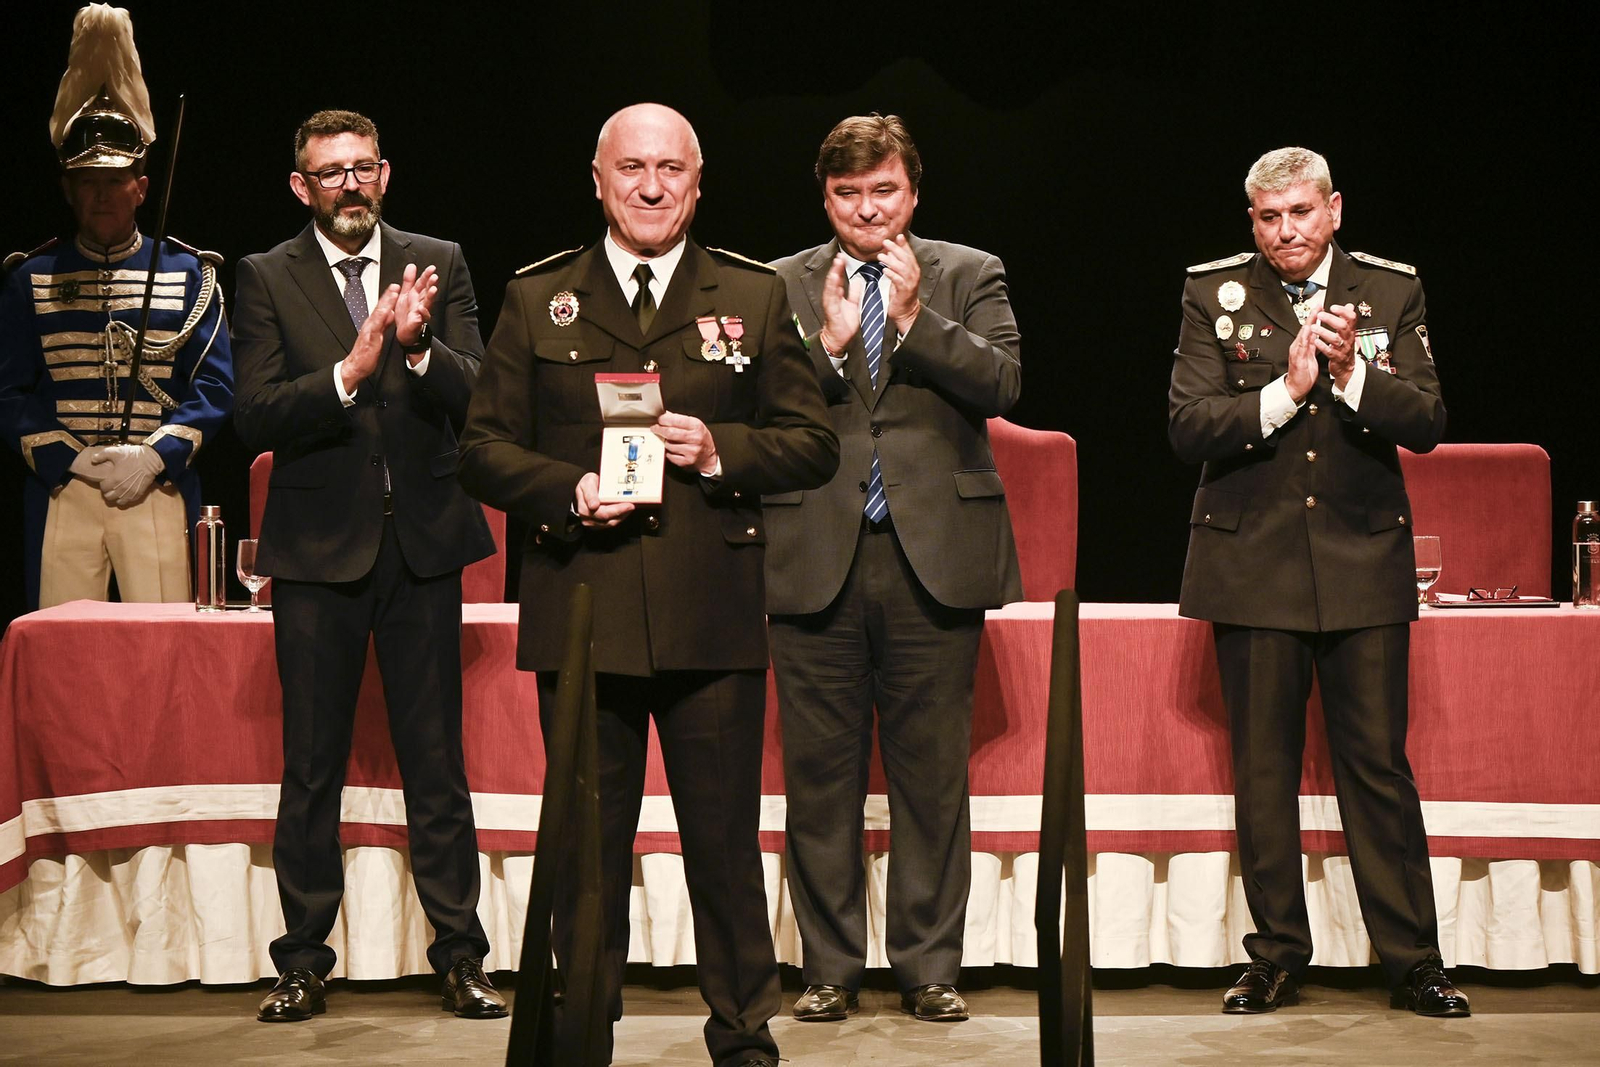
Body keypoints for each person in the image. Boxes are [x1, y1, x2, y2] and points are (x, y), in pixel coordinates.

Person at [458, 102, 837, 1067]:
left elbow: (812, 443)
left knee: (723, 844)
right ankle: (582, 1032)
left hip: (710, 613)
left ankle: (743, 1034)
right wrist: (566, 489)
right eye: (633, 168)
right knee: (586, 851)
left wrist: (719, 447)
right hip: (582, 608)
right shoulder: (539, 296)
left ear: (698, 184)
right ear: (599, 181)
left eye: (671, 169)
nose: (652, 186)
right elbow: (482, 447)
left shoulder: (751, 294)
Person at [1169, 146, 1469, 1017]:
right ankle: (1274, 957)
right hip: (1252, 560)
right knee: (1263, 768)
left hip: (1361, 557)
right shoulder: (1213, 291)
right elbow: (1188, 425)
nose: (1286, 231)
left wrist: (1350, 376)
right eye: (1269, 217)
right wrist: (1286, 390)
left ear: (1334, 209)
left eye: (1301, 212)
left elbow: (1428, 420)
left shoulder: (1390, 290)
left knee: (1375, 763)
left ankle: (1414, 960)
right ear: (1252, 220)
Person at [232, 109, 504, 1023]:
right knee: (312, 765)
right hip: (317, 552)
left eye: (363, 168)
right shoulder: (266, 275)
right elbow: (255, 413)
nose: (350, 184)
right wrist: (348, 373)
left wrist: (419, 347)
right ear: (301, 187)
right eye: (330, 172)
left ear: (384, 174)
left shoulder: (440, 260)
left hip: (423, 545)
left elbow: (484, 394)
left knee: (437, 761)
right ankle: (303, 961)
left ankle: (461, 956)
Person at [765, 113, 1023, 1024]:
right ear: (825, 196)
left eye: (884, 191)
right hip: (813, 550)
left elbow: (1002, 383)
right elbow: (754, 404)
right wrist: (828, 347)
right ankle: (829, 966)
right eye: (848, 193)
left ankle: (928, 965)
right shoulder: (780, 283)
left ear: (913, 191)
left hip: (933, 556)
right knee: (819, 775)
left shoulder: (968, 272)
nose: (867, 209)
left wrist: (913, 318)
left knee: (932, 775)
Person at [0, 3, 232, 611]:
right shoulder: (30, 279)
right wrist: (73, 461)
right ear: (68, 189)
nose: (102, 195)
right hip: (64, 487)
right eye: (88, 182)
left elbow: (213, 387)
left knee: (164, 644)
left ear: (141, 187)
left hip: (155, 482)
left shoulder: (190, 273)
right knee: (62, 647)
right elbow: (11, 393)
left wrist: (155, 456)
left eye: (115, 181)